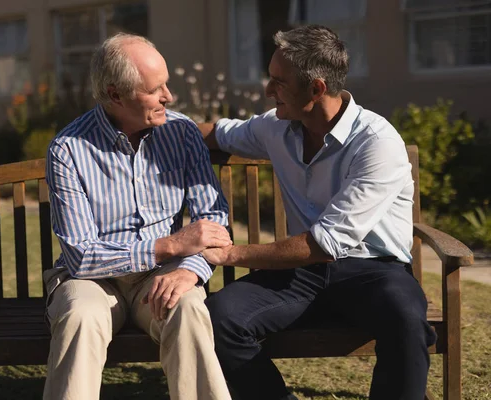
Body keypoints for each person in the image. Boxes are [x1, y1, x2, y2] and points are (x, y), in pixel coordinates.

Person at [200, 25, 437, 400]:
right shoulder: (275, 126)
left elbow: (327, 243)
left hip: (373, 273)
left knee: (406, 319)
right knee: (217, 318)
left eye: (278, 82)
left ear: (316, 88)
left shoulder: (376, 142)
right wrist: (148, 124)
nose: (267, 91)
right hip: (302, 275)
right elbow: (216, 133)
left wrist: (232, 254)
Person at [43, 33, 232, 400]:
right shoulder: (68, 150)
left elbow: (213, 217)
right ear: (116, 95)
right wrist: (170, 245)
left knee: (189, 307)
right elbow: (81, 256)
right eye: (155, 89)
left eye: (167, 84)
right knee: (80, 316)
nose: (169, 97)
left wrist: (189, 268)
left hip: (161, 276)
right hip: (94, 281)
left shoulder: (182, 133)